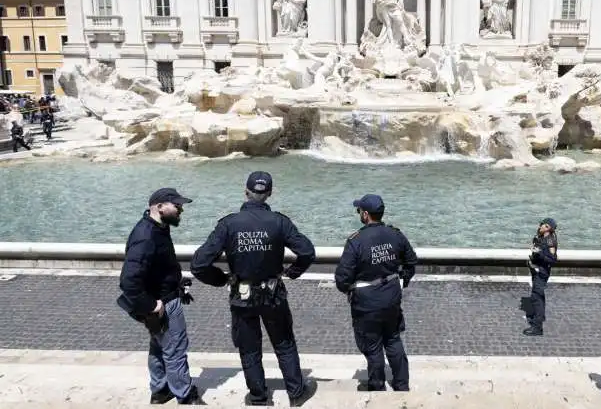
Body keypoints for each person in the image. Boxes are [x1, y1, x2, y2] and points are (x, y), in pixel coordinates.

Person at [190, 172, 317, 407]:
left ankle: (258, 397)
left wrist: (222, 279)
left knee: (249, 349)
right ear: (269, 193)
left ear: (245, 191)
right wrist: (293, 272)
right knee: (284, 343)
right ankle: (296, 393)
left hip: (243, 294)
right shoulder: (280, 222)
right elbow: (308, 252)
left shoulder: (228, 224)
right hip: (273, 293)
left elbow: (198, 265)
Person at [117, 188, 204, 405]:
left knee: (159, 346)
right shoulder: (146, 236)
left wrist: (176, 282)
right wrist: (150, 305)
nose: (181, 209)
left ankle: (160, 390)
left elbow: (156, 266)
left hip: (164, 296)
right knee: (175, 348)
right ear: (159, 207)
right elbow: (128, 280)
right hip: (162, 303)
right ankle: (184, 394)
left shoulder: (157, 228)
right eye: (176, 205)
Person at [334, 194, 418, 392]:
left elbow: (342, 279)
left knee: (373, 347)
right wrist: (403, 278)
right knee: (393, 339)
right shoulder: (395, 234)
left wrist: (349, 290)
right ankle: (402, 384)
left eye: (358, 211)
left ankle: (377, 386)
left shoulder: (356, 241)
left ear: (365, 214)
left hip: (367, 303)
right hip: (391, 297)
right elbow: (411, 261)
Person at [523, 217, 558, 336]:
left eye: (546, 226)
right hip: (536, 270)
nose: (542, 227)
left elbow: (553, 260)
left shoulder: (550, 241)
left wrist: (540, 254)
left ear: (550, 229)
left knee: (536, 297)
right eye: (542, 224)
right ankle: (540, 317)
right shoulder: (541, 236)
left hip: (542, 272)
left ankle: (537, 328)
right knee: (539, 295)